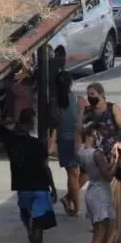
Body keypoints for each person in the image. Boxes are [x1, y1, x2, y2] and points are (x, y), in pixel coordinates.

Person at [0, 108, 58, 243]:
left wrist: (12, 123)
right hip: (39, 187)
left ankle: (31, 236)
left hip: (22, 188)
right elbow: (45, 168)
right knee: (38, 225)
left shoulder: (11, 140)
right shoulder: (37, 144)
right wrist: (53, 187)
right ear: (32, 122)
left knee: (27, 220)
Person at [77, 122, 120, 243]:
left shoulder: (83, 152)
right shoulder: (97, 154)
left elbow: (100, 171)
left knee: (98, 235)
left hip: (92, 190)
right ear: (94, 133)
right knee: (99, 238)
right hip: (100, 193)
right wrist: (116, 161)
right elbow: (109, 176)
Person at [53, 70, 87, 216]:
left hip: (63, 139)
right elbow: (85, 119)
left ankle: (70, 199)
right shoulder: (78, 100)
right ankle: (75, 205)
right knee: (82, 173)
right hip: (77, 138)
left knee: (71, 174)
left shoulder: (54, 102)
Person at [84, 82, 121, 156]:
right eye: (88, 95)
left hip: (115, 149)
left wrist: (119, 143)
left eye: (92, 94)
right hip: (96, 153)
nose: (89, 97)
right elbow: (87, 134)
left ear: (101, 94)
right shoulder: (87, 111)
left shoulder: (113, 108)